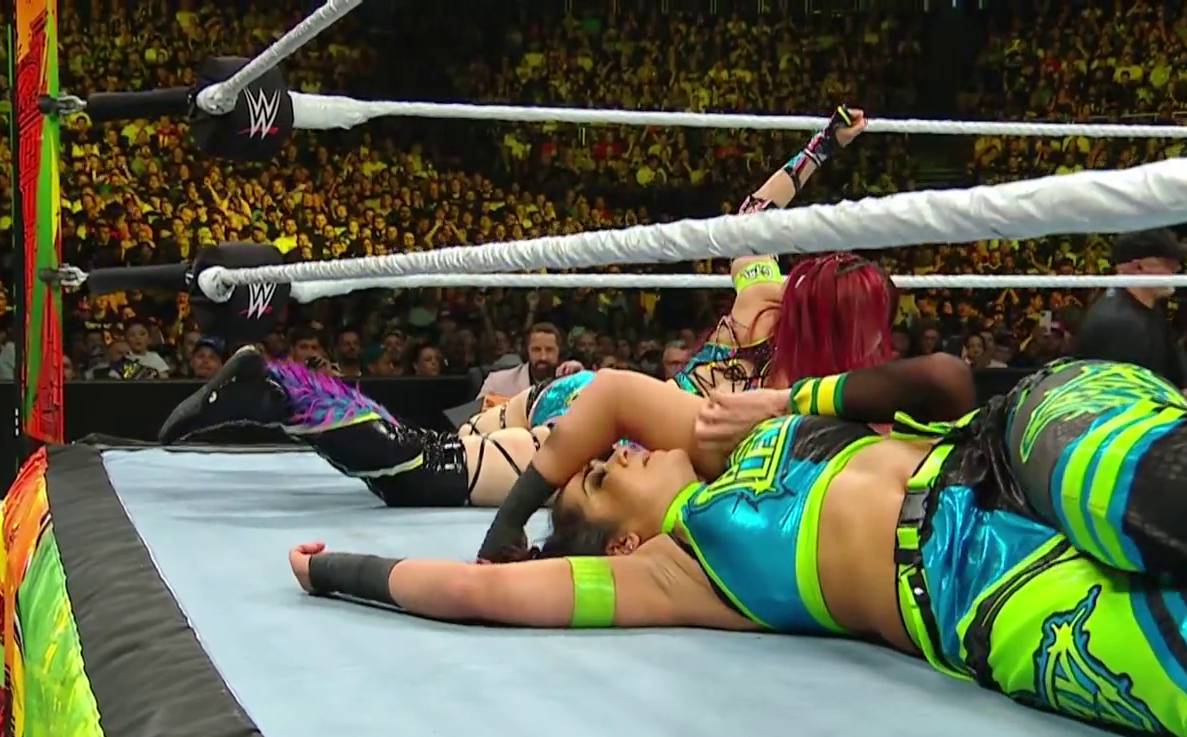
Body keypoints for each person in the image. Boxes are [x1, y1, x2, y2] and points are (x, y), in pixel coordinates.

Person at [290, 358, 1187, 737]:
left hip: (1009, 448)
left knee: (1119, 476)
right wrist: (336, 567)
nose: (615, 452)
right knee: (1184, 669)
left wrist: (532, 492)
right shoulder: (679, 574)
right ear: (620, 538)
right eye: (604, 478)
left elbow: (943, 384)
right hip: (977, 595)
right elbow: (482, 592)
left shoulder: (740, 431)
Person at [156, 106, 900, 509]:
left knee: (428, 451)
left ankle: (281, 391)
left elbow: (751, 217)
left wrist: (823, 147)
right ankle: (277, 393)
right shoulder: (822, 400)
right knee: (422, 471)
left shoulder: (763, 299)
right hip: (616, 439)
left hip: (594, 395)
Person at [1071, 229, 1187, 411]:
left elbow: (1171, 345)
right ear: (1139, 268)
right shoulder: (1119, 323)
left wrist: (1186, 385)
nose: (1177, 268)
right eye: (1168, 263)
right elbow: (1123, 403)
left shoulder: (1145, 305)